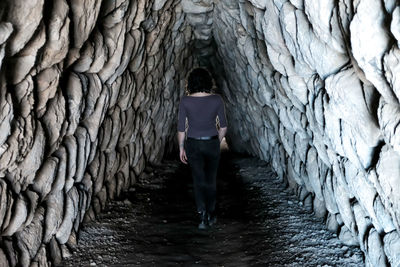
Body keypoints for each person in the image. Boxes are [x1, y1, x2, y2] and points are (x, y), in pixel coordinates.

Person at [177, 67, 228, 230]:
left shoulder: (185, 101)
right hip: (211, 142)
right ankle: (211, 213)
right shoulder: (217, 99)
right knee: (211, 179)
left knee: (198, 180)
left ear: (190, 83)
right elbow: (224, 126)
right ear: (208, 82)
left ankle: (202, 215)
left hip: (193, 143)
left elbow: (181, 128)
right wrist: (216, 141)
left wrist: (181, 147)